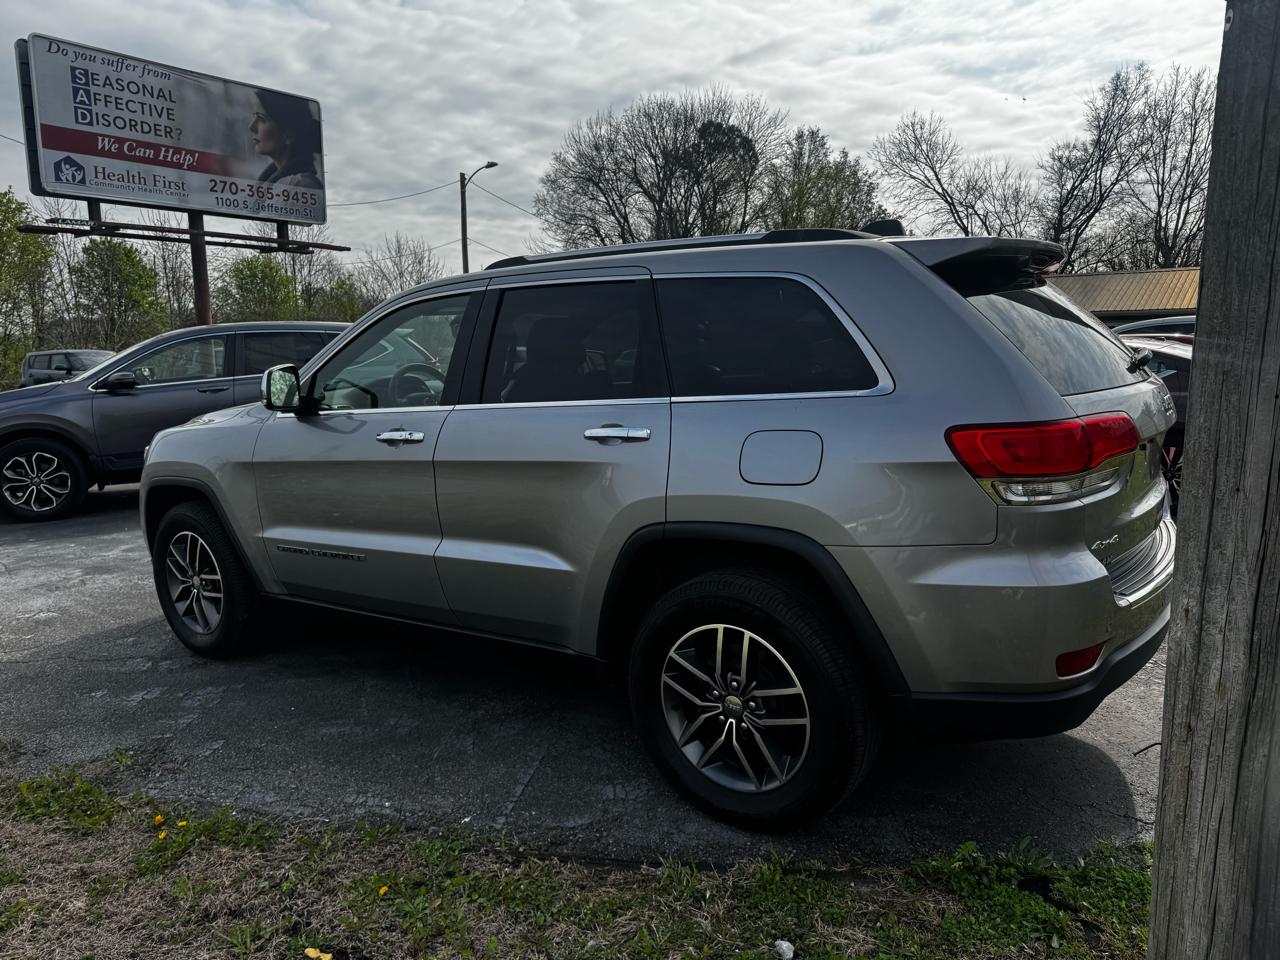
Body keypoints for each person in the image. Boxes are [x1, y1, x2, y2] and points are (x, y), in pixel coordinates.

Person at [249, 89, 323, 189]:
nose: (251, 127)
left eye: (262, 119)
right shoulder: (271, 181)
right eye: (254, 116)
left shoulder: (301, 186)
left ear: (288, 134)